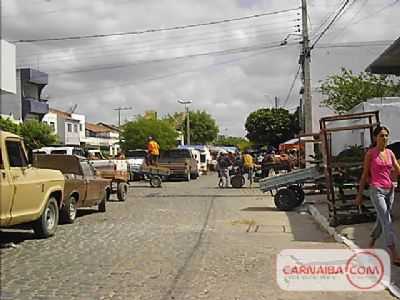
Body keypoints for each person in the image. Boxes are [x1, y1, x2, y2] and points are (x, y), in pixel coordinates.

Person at [356, 126, 400, 264]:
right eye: (381, 135)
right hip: (377, 190)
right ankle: (394, 254)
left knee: (382, 220)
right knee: (387, 220)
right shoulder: (371, 154)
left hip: (390, 190)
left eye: (386, 135)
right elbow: (364, 175)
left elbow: (398, 170)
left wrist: (394, 179)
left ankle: (370, 245)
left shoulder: (390, 153)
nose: (385, 138)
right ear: (375, 138)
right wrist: (359, 194)